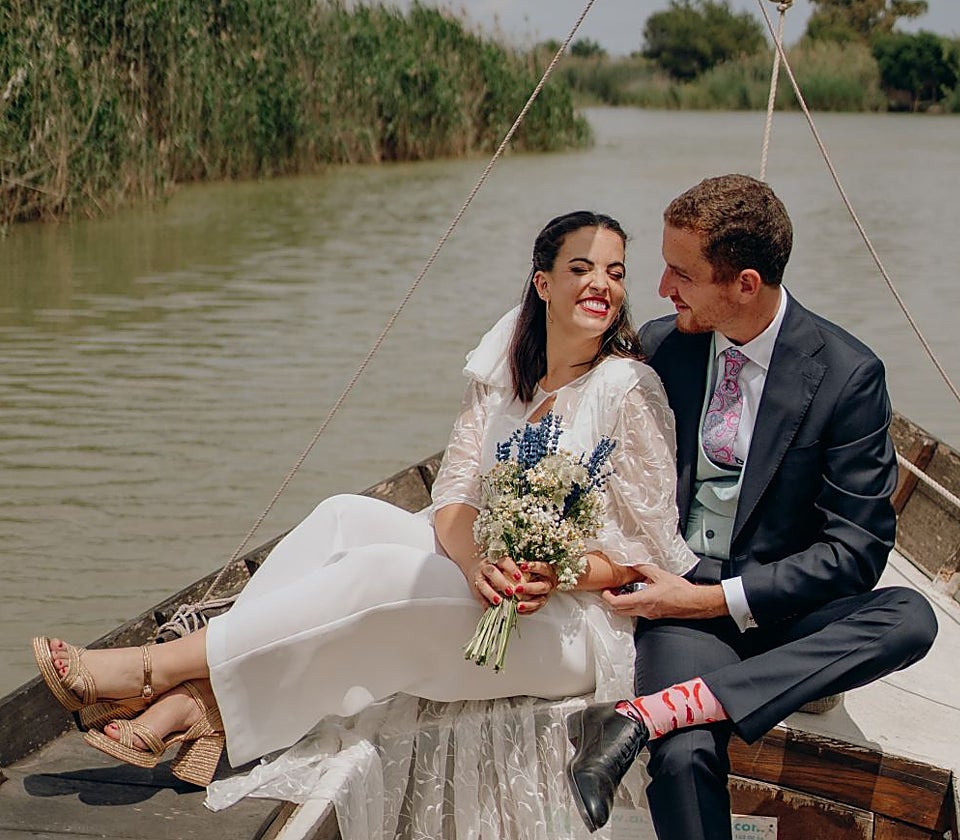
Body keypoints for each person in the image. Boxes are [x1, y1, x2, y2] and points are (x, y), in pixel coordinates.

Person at [31, 211, 698, 839]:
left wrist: (557, 569)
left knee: (381, 577)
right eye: (582, 268)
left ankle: (153, 672)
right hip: (491, 580)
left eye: (615, 272)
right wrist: (473, 563)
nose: (601, 286)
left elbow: (649, 554)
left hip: (571, 625)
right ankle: (205, 708)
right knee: (343, 518)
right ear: (543, 282)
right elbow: (457, 499)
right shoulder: (503, 381)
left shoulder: (627, 389)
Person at [565, 174, 940, 838]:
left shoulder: (848, 376)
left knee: (911, 618)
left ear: (743, 284)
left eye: (681, 273)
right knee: (682, 755)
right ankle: (675, 715)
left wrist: (712, 599)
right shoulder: (658, 350)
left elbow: (856, 553)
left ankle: (650, 712)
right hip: (681, 611)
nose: (661, 289)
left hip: (788, 611)